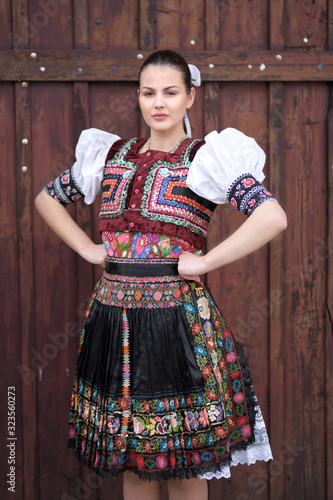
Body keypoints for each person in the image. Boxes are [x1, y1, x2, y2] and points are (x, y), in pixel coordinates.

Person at [35, 50, 287, 500]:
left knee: (185, 460)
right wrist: (88, 248)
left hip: (176, 323)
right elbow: (46, 199)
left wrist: (206, 263)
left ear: (190, 97)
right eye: (149, 92)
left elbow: (272, 216)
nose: (159, 102)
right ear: (138, 96)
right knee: (133, 457)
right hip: (112, 318)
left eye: (171, 92)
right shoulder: (110, 155)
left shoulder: (206, 160)